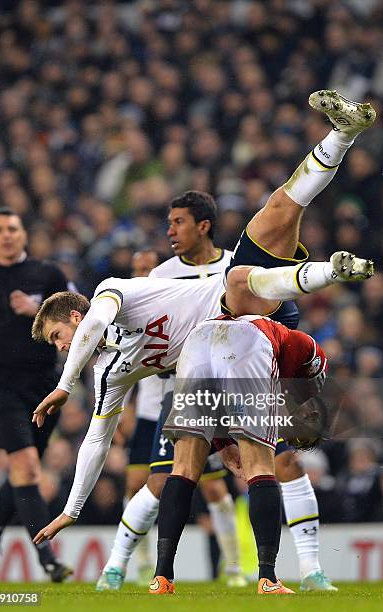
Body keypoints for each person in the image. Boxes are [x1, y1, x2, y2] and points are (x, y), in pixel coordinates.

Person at [31, 90, 375, 556]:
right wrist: (71, 511)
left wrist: (65, 385)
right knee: (278, 213)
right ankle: (341, 164)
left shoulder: (116, 293)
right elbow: (96, 441)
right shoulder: (110, 372)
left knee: (270, 224)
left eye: (57, 336)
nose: (60, 347)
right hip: (232, 337)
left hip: (246, 308)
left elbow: (95, 322)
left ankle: (342, 159)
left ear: (76, 315)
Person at [97, 205, 247, 589]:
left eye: (149, 267)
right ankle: (132, 567)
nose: (145, 275)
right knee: (149, 483)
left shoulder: (228, 266)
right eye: (139, 271)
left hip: (215, 392)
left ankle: (234, 569)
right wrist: (123, 410)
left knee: (214, 484)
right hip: (163, 401)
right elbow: (122, 360)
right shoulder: (138, 296)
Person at [149, 312, 330, 595]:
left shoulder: (292, 380)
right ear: (313, 408)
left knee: (183, 469)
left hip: (199, 338)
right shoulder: (308, 365)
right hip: (249, 340)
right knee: (260, 467)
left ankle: (161, 578)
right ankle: (268, 579)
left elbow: (223, 391)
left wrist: (222, 444)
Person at [0, 209, 72, 581]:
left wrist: (37, 311)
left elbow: (80, 317)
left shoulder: (48, 274)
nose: (6, 235)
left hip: (45, 384)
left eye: (13, 228)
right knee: (27, 467)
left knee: (23, 474)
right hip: (0, 385)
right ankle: (48, 559)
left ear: (24, 234)